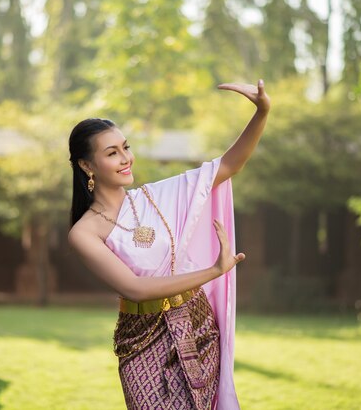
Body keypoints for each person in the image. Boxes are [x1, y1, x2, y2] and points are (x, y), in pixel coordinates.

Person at [67, 80, 270, 410]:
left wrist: (262, 112)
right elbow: (136, 289)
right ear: (87, 166)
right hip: (141, 339)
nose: (125, 158)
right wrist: (213, 271)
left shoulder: (155, 197)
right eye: (112, 152)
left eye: (126, 147)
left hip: (196, 324)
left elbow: (228, 165)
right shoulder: (85, 233)